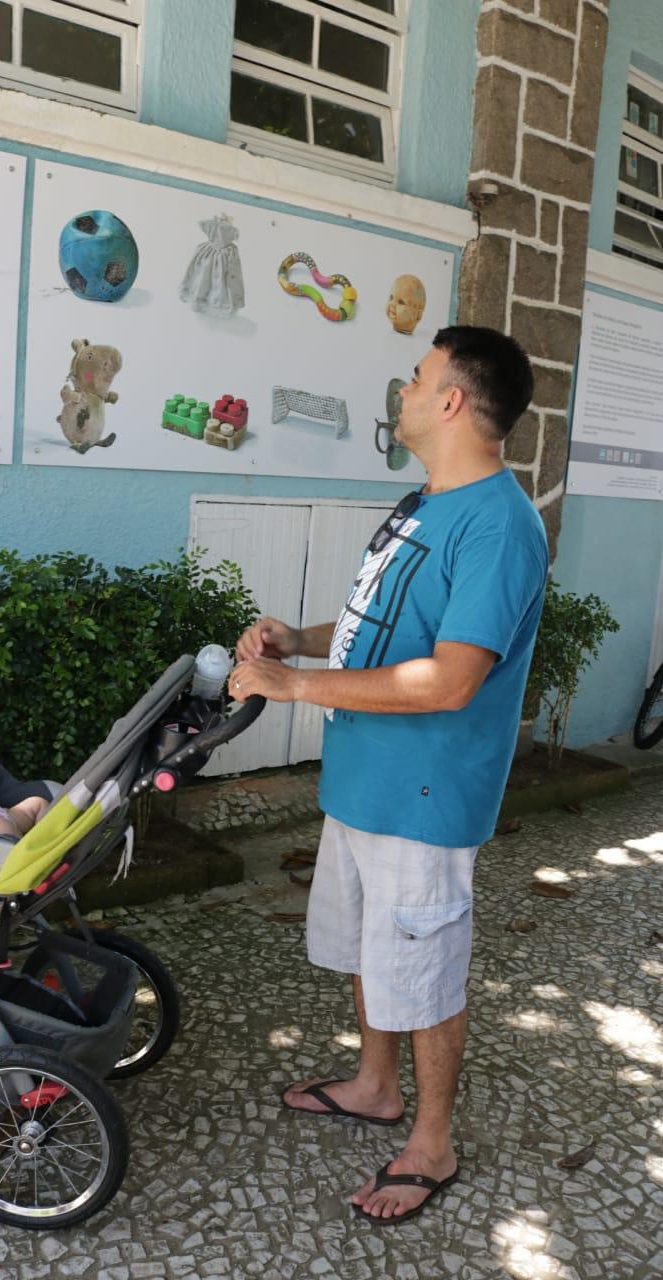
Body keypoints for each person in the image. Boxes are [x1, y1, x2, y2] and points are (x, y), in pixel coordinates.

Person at [230, 325, 548, 1227]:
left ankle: (433, 1142)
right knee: (376, 950)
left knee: (426, 967)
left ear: (451, 400)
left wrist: (292, 686)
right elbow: (383, 625)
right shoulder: (422, 502)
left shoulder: (497, 525)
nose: (402, 390)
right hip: (364, 782)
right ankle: (375, 1085)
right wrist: (301, 636)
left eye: (417, 377)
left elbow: (450, 678)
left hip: (424, 795)